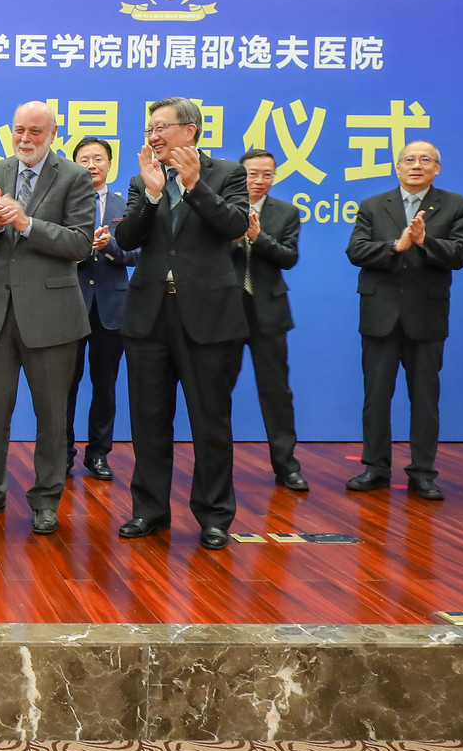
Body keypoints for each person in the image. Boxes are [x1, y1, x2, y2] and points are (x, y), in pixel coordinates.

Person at [112, 98, 251, 548]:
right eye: (150, 127)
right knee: (149, 419)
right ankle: (149, 510)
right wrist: (152, 195)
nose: (153, 135)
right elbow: (126, 238)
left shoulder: (227, 173)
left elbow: (234, 226)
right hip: (149, 314)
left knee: (210, 419)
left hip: (208, 316)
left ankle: (214, 516)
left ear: (189, 131)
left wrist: (193, 186)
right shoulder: (141, 180)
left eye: (162, 126)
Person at [0, 100, 94, 535]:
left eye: (36, 132)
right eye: (19, 131)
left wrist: (28, 223)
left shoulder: (73, 176)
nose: (25, 140)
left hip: (52, 316)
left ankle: (46, 500)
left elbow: (80, 243)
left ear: (54, 134)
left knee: (52, 414)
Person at [344, 140, 463, 501]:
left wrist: (424, 241)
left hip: (426, 316)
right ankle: (375, 467)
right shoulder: (373, 205)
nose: (416, 165)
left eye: (425, 159)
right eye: (409, 159)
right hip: (380, 315)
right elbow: (356, 250)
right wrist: (395, 246)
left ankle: (423, 472)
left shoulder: (456, 205)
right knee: (376, 396)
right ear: (397, 167)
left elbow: (462, 253)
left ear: (437, 168)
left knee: (425, 398)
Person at [231, 147, 307, 492]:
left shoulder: (286, 212)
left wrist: (258, 238)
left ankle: (287, 466)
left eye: (267, 174)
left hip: (269, 313)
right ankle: (217, 467)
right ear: (238, 174)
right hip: (225, 312)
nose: (260, 181)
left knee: (276, 392)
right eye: (252, 173)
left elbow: (289, 258)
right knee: (216, 393)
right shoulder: (222, 208)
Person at [68, 137, 137, 483]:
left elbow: (139, 254)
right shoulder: (64, 204)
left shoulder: (127, 205)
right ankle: (62, 452)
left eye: (98, 158)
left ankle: (98, 454)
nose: (91, 164)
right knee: (65, 384)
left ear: (110, 164)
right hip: (70, 305)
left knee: (105, 385)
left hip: (112, 308)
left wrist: (111, 247)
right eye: (84, 159)